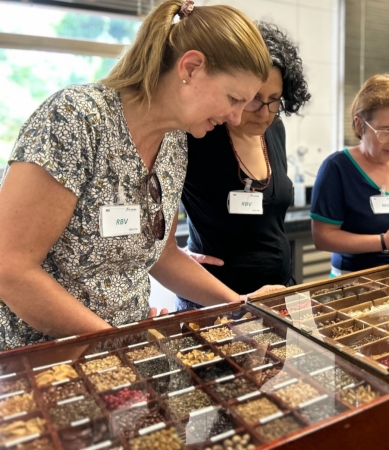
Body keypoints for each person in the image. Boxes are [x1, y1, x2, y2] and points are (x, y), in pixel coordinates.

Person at [0, 0, 276, 350]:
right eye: (234, 98)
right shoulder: (76, 121)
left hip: (120, 356)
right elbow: (10, 270)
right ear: (190, 67)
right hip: (46, 361)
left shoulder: (175, 141)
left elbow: (163, 254)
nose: (237, 118)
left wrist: (240, 305)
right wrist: (116, 340)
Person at [176, 23, 310, 311]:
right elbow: (154, 215)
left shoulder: (275, 129)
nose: (264, 114)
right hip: (216, 303)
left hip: (279, 293)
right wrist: (168, 255)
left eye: (274, 101)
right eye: (252, 101)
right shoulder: (197, 134)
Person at [310, 74, 389, 276]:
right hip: (356, 282)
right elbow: (322, 237)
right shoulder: (337, 168)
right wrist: (384, 242)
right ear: (360, 125)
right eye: (385, 131)